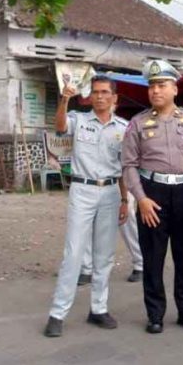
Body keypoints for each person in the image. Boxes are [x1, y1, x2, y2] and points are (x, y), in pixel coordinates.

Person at [121, 60, 183, 334]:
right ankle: (155, 314)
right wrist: (140, 198)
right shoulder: (138, 123)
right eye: (151, 86)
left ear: (174, 89)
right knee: (153, 258)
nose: (155, 91)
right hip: (153, 194)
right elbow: (128, 165)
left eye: (161, 85)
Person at [43, 75, 129, 338]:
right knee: (74, 253)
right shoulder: (79, 120)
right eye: (95, 92)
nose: (99, 96)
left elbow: (125, 167)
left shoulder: (123, 128)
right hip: (82, 190)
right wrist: (65, 99)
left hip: (111, 192)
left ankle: (98, 309)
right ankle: (57, 314)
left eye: (105, 92)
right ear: (89, 96)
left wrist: (125, 199)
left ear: (114, 98)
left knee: (104, 256)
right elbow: (59, 127)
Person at [78, 190, 144, 285]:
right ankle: (86, 268)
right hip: (92, 181)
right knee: (85, 216)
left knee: (126, 213)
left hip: (120, 180)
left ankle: (141, 262)